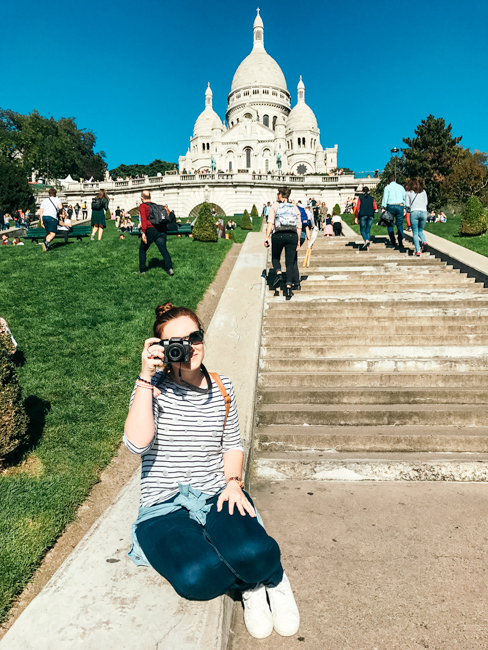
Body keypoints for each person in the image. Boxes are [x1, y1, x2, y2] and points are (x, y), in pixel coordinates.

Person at [124, 303, 299, 639]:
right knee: (195, 578)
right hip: (163, 506)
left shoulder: (222, 387)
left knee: (254, 551)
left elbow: (231, 444)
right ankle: (252, 580)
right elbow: (137, 444)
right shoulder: (152, 388)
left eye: (195, 337)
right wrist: (145, 377)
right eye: (177, 342)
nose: (189, 347)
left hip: (217, 492)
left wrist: (233, 483)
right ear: (161, 348)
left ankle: (272, 578)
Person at [265, 188, 302, 301]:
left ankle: (279, 273)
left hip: (279, 234)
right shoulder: (294, 207)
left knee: (275, 257)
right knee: (290, 263)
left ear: (280, 195)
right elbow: (299, 225)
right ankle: (289, 288)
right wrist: (298, 240)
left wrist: (267, 237)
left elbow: (270, 222)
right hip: (292, 235)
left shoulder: (275, 206)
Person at [136, 190, 174, 276]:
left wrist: (143, 233)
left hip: (150, 230)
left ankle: (142, 270)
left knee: (142, 249)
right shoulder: (156, 206)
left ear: (142, 198)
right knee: (163, 249)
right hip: (161, 229)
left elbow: (144, 220)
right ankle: (169, 268)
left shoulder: (143, 206)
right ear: (150, 197)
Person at [405, 178, 428, 257]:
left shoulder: (408, 192)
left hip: (414, 211)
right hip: (424, 212)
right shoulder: (423, 191)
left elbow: (407, 204)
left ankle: (418, 250)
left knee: (415, 232)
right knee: (420, 230)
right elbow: (426, 202)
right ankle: (424, 241)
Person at [381, 174, 406, 247]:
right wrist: (404, 207)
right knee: (400, 224)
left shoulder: (387, 188)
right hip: (400, 205)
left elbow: (385, 198)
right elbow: (404, 198)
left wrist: (383, 207)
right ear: (395, 179)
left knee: (390, 224)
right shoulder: (401, 187)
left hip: (390, 206)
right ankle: (400, 240)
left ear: (388, 180)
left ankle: (393, 240)